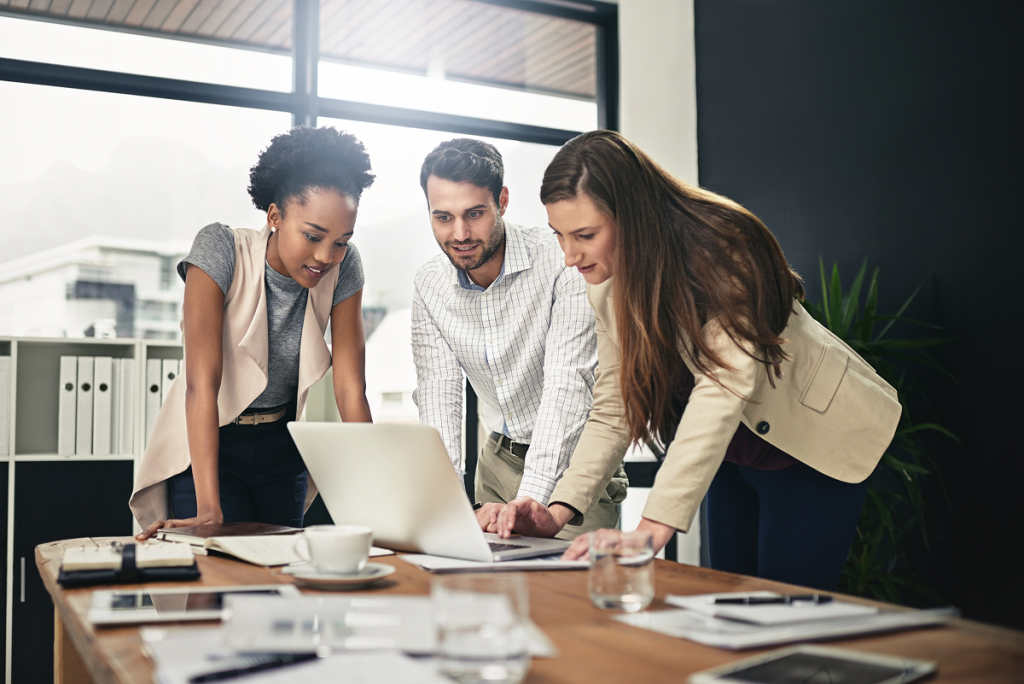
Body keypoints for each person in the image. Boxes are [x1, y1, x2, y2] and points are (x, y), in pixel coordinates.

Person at [489, 130, 902, 591]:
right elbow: (613, 405)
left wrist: (648, 530)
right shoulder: (605, 285)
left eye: (585, 235)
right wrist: (558, 510)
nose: (569, 257)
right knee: (728, 604)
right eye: (559, 236)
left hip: (810, 441)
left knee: (789, 612)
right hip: (733, 452)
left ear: (632, 216)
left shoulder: (726, 246)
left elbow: (722, 386)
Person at [131, 126, 375, 538]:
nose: (325, 256)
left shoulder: (345, 266)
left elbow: (351, 389)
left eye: (341, 241)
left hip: (282, 447)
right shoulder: (220, 249)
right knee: (217, 570)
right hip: (212, 443)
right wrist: (209, 507)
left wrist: (381, 492)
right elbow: (201, 385)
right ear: (275, 216)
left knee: (280, 573)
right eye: (313, 236)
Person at [412, 138, 627, 540]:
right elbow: (439, 396)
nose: (460, 233)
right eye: (443, 217)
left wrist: (529, 500)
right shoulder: (429, 285)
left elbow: (568, 386)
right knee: (484, 578)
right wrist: (446, 506)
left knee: (567, 580)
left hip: (573, 469)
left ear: (502, 201)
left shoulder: (563, 262)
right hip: (496, 464)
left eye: (474, 213)